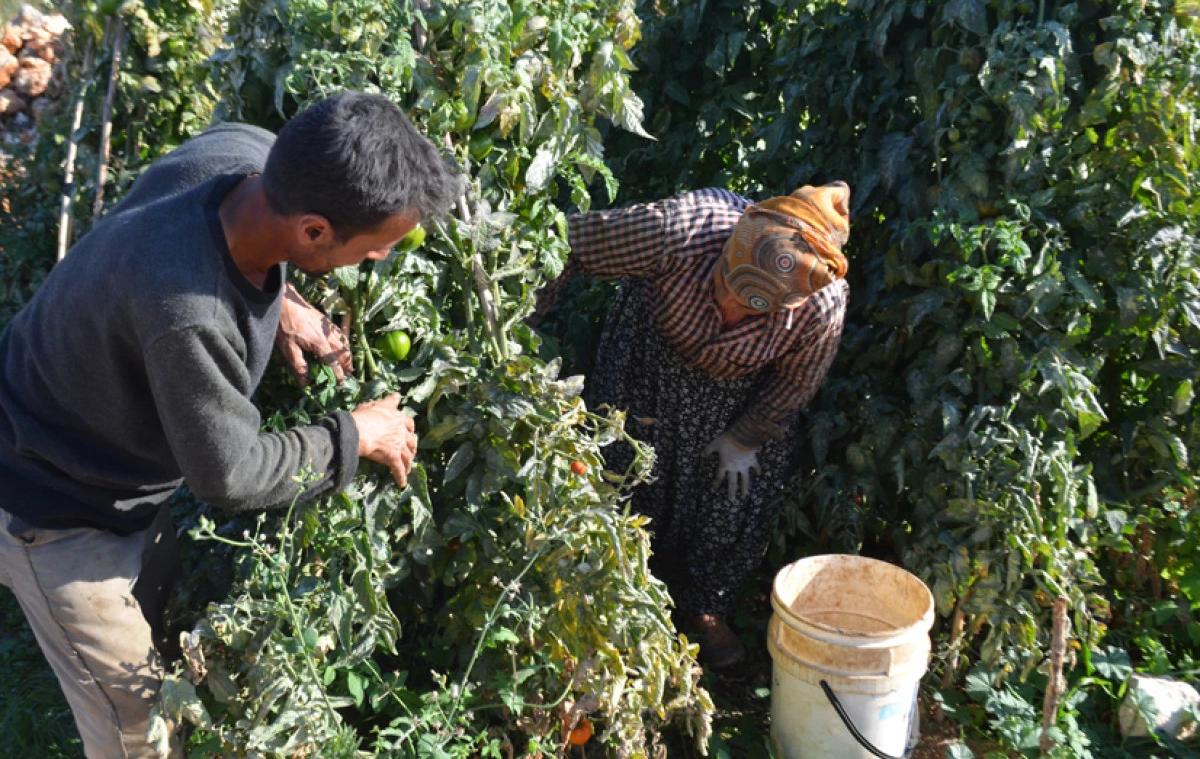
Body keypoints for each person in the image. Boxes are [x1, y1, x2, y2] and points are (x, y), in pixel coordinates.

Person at [0, 91, 462, 758]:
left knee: (156, 603)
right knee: (140, 727)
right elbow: (230, 473)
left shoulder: (248, 156)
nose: (381, 259)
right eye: (374, 249)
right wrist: (355, 436)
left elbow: (220, 253)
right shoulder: (188, 314)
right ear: (314, 231)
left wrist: (284, 301)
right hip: (49, 502)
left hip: (91, 436)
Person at [552, 183, 850, 669]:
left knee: (731, 494)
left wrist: (744, 438)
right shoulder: (678, 230)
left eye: (751, 308)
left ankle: (702, 605)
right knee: (624, 466)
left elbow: (796, 381)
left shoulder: (821, 307)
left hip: (738, 391)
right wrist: (520, 326)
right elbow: (565, 245)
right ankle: (613, 583)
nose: (728, 309)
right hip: (649, 355)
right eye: (724, 286)